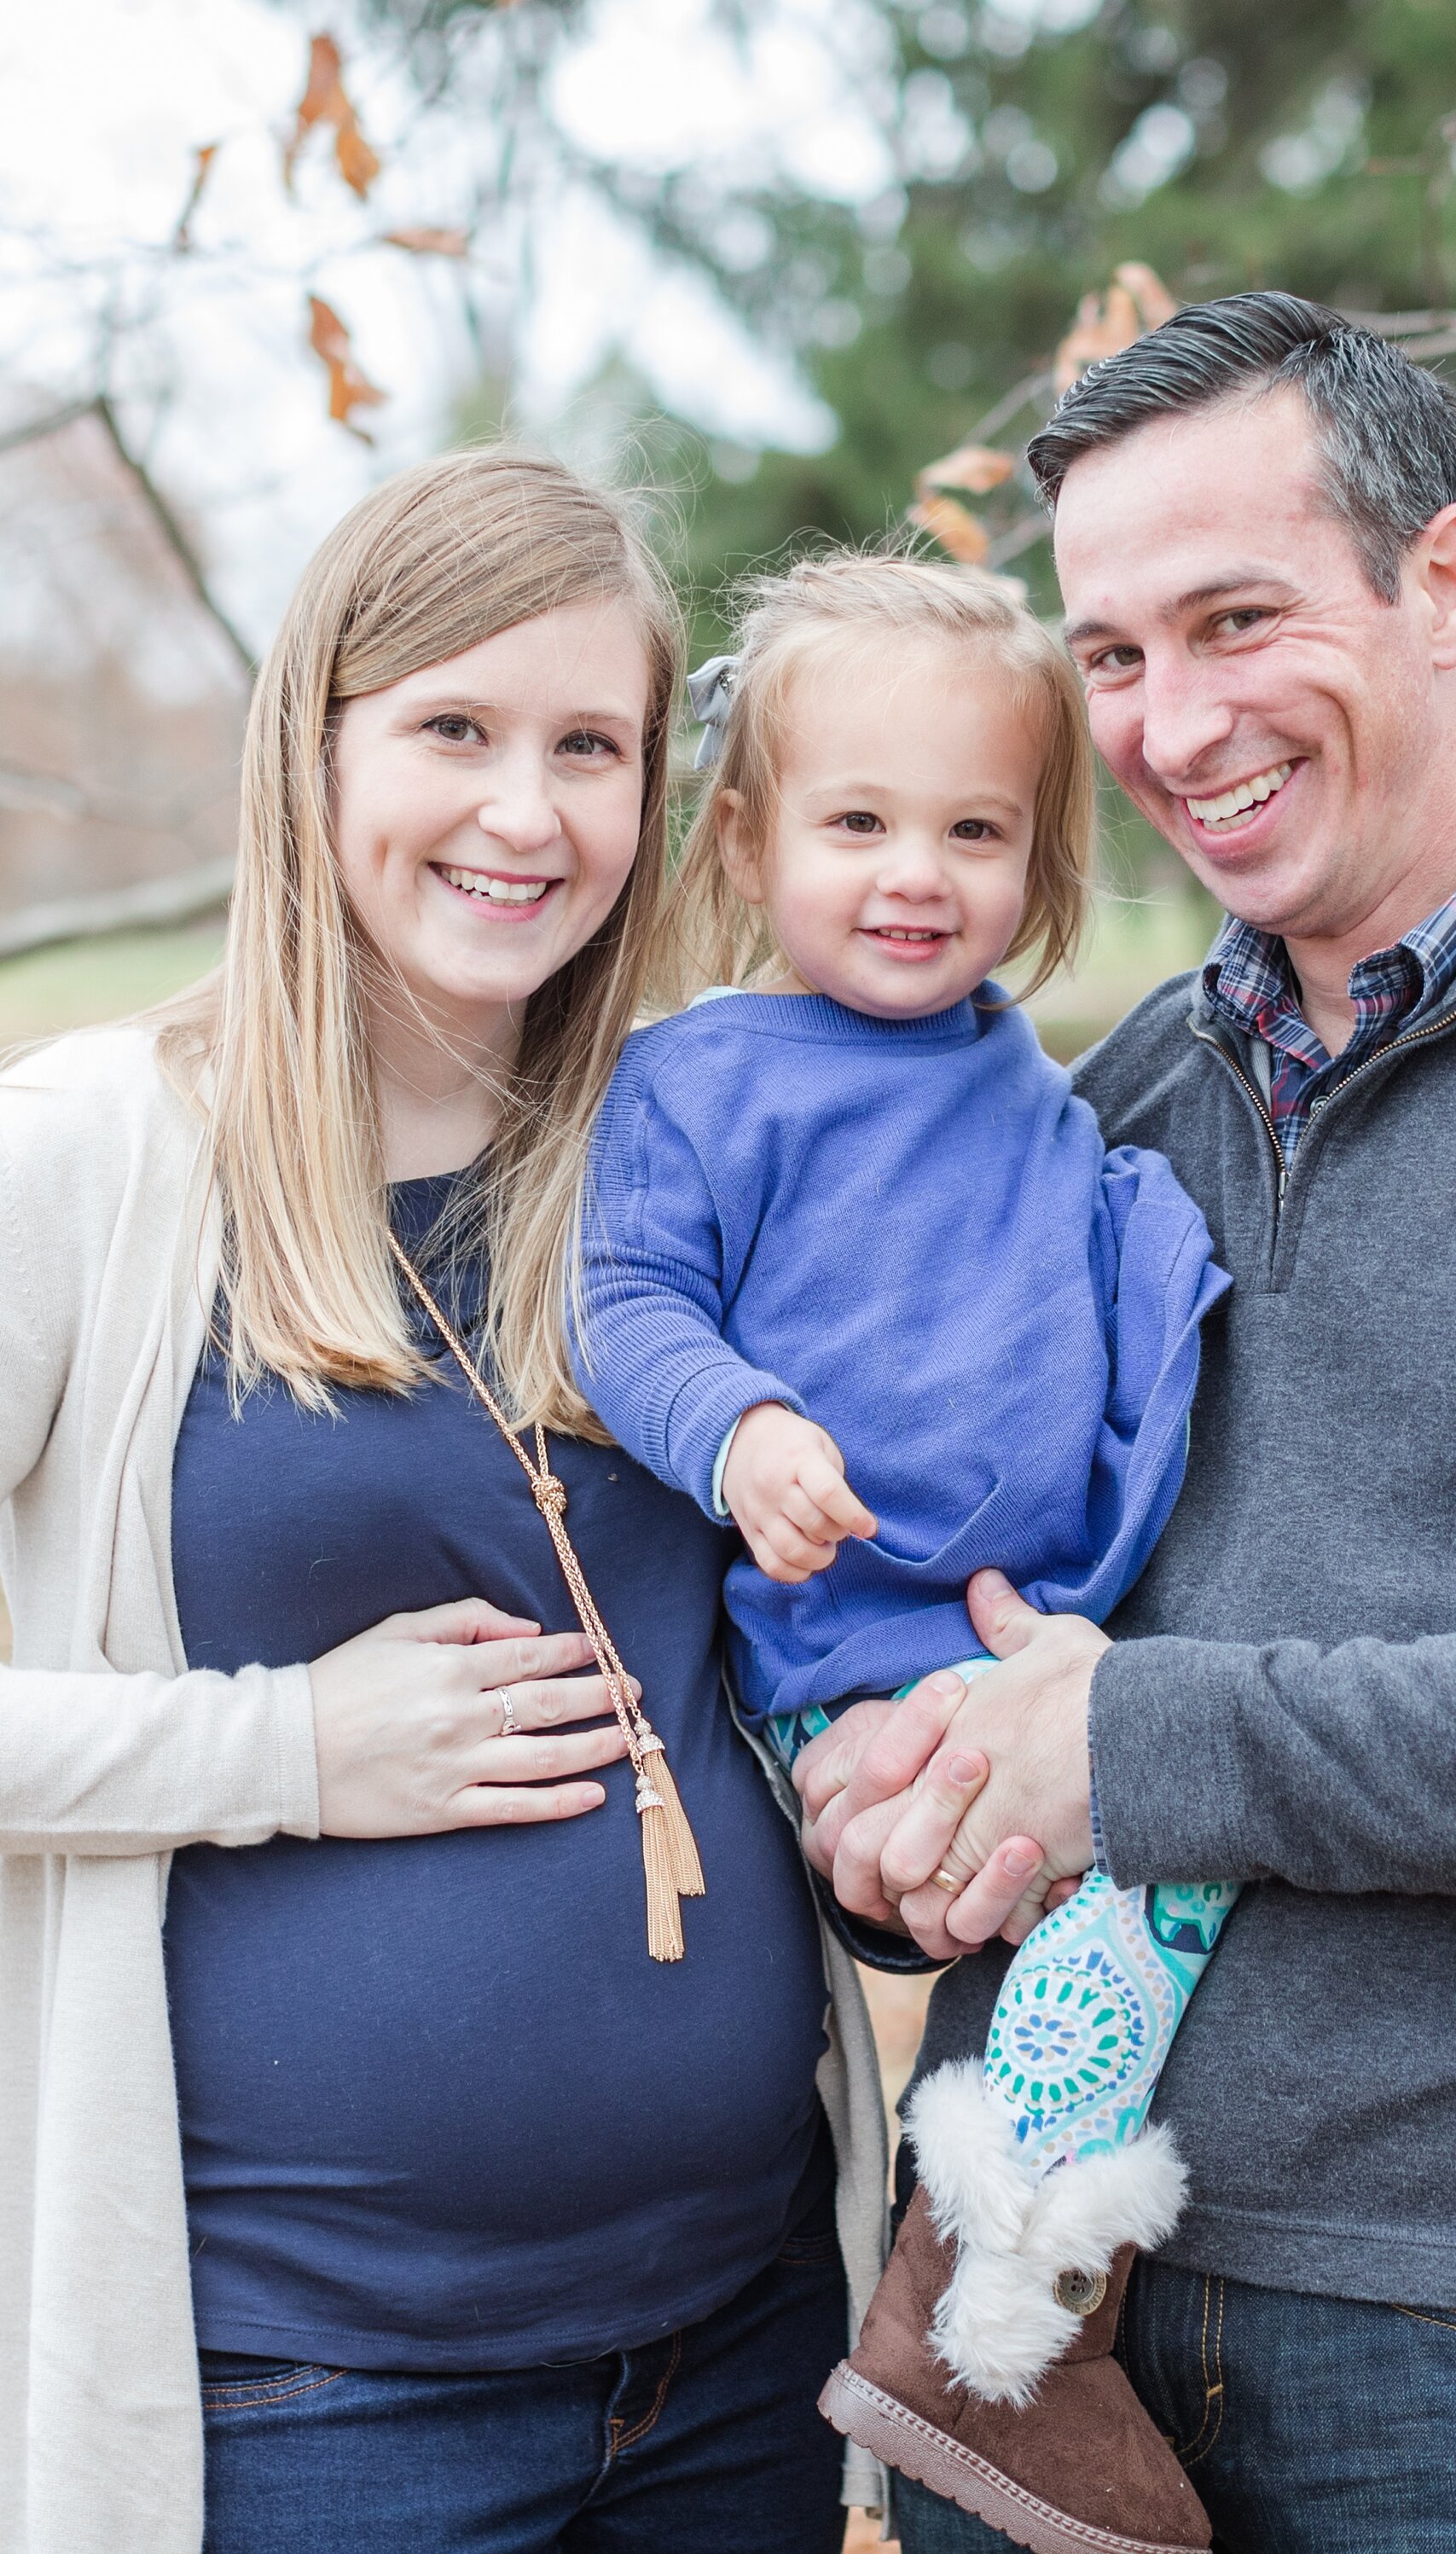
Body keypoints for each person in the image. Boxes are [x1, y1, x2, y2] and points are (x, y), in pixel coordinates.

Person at [801, 293, 1456, 2553]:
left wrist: (1123, 1743)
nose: (1173, 723)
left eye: (1236, 620)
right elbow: (1000, 1622)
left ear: (1449, 580)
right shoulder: (1100, 1116)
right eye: (1111, 657)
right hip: (1048, 2326)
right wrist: (914, 1810)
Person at [0, 450, 891, 2554]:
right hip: (316, 2395)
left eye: (591, 745)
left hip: (740, 2346)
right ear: (314, 745)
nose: (527, 812)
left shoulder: (688, 1150)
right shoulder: (95, 1157)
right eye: (455, 730)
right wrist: (285, 1747)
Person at [565, 550, 1230, 2551]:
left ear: (1039, 859)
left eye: (974, 829)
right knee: (1107, 1887)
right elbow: (630, 1302)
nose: (914, 874)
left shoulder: (1031, 1084)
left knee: (1139, 1896)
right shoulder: (705, 1079)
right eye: (856, 823)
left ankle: (1005, 2295)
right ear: (754, 836)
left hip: (1035, 1634)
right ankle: (992, 2325)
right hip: (854, 1643)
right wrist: (741, 1427)